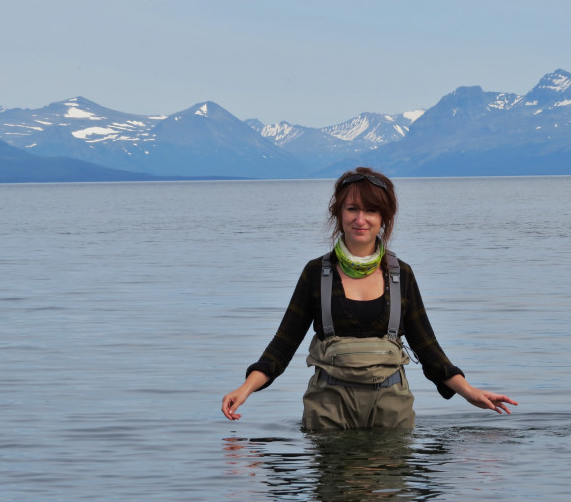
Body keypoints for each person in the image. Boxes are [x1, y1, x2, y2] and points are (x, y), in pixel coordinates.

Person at [221, 167, 517, 429]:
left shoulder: (402, 276)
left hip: (391, 413)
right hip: (328, 414)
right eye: (352, 209)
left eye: (371, 211)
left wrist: (471, 393)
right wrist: (244, 390)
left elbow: (429, 350)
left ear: (384, 218)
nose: (360, 219)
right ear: (338, 214)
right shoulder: (315, 273)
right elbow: (282, 346)